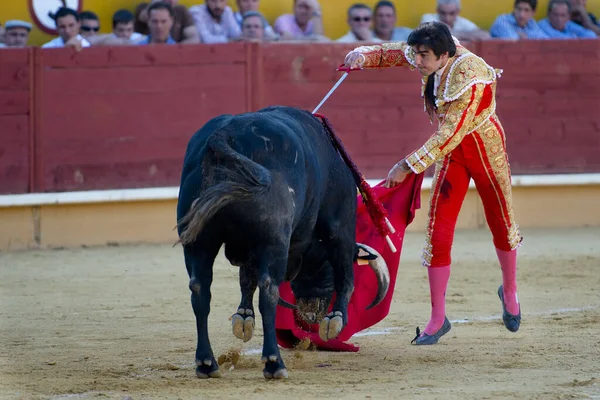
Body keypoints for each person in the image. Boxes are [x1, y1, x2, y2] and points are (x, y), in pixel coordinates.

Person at [343, 21, 522, 345]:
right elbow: (397, 52)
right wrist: (363, 55)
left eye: (423, 56)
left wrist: (407, 166)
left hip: (484, 149)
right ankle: (438, 318)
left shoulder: (471, 76)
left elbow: (449, 134)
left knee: (501, 222)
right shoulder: (431, 53)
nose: (417, 60)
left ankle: (509, 290)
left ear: (443, 56)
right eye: (418, 54)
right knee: (438, 234)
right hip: (452, 156)